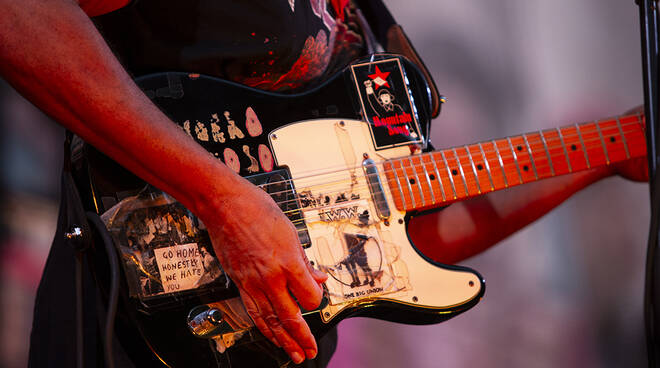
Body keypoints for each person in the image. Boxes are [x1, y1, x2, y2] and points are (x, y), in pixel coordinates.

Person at [0, 0, 648, 367]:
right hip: (131, 320)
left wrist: (611, 150)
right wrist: (218, 197)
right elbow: (21, 16)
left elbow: (416, 237)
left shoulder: (359, 19)